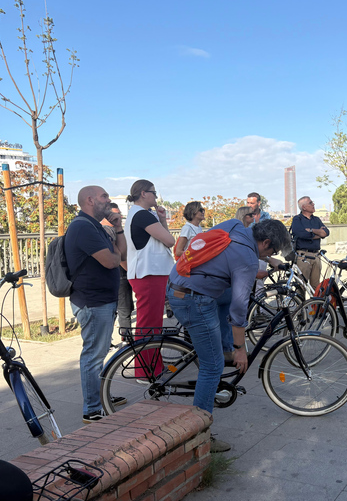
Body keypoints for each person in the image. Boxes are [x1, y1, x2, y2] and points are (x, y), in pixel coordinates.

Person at [167, 219, 291, 452]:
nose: (271, 254)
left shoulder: (234, 226)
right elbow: (239, 309)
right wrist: (240, 348)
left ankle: (222, 350)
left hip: (179, 280)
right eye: (272, 251)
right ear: (266, 242)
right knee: (212, 366)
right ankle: (200, 436)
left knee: (230, 291)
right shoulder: (247, 260)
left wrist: (267, 261)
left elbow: (231, 252)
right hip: (192, 299)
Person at [64, 186, 126, 423]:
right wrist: (115, 256)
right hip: (92, 301)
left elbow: (122, 255)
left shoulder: (96, 226)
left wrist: (118, 228)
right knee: (93, 354)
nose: (109, 201)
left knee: (98, 353)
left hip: (102, 300)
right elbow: (111, 261)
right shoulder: (83, 227)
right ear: (90, 200)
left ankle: (100, 396)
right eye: (104, 196)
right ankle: (92, 408)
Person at [125, 180, 176, 370]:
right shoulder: (142, 215)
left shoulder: (140, 214)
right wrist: (160, 221)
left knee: (151, 323)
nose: (156, 197)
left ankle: (153, 365)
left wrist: (162, 219)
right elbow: (169, 241)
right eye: (154, 193)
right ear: (143, 193)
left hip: (149, 272)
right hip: (148, 273)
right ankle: (145, 370)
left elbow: (165, 239)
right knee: (148, 324)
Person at [101, 203, 133, 331]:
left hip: (120, 275)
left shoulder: (117, 230)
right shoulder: (106, 231)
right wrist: (130, 270)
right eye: (115, 214)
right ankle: (126, 338)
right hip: (118, 275)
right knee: (123, 309)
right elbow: (119, 256)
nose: (118, 217)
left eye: (119, 214)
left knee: (123, 307)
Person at [290, 196, 329, 290]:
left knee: (316, 287)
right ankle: (301, 300)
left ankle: (315, 300)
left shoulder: (317, 219)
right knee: (301, 286)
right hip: (303, 256)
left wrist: (311, 230)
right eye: (310, 203)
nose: (313, 204)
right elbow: (300, 234)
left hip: (316, 256)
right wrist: (318, 234)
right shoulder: (297, 219)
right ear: (304, 207)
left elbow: (326, 232)